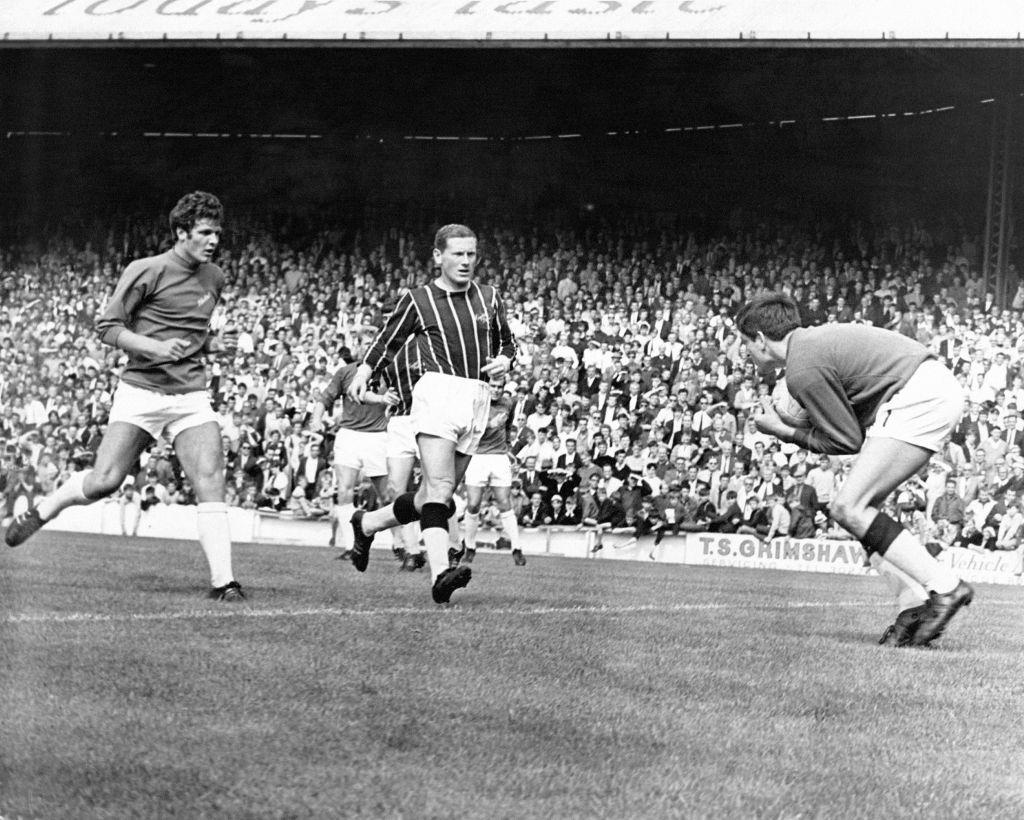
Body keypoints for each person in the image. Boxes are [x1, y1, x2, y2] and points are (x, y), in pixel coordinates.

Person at [3, 191, 245, 600]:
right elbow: (107, 327)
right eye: (205, 232)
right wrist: (153, 348)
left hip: (189, 394)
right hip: (141, 391)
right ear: (181, 232)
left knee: (210, 479)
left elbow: (191, 337)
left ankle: (225, 583)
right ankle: (45, 509)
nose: (213, 240)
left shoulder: (215, 278)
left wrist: (211, 347)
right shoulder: (146, 270)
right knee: (104, 482)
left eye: (217, 233)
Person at [736, 292, 972, 648]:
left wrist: (785, 431)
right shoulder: (812, 347)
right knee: (859, 513)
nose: (745, 352)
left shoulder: (802, 369)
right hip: (931, 389)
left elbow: (847, 442)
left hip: (919, 394)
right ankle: (914, 604)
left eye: (745, 343)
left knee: (848, 506)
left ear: (760, 339)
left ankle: (946, 588)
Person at [345, 224, 516, 604]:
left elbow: (509, 342)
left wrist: (505, 360)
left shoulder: (490, 298)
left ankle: (368, 522)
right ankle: (441, 575)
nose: (466, 261)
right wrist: (363, 372)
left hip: (478, 397)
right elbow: (386, 340)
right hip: (437, 391)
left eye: (471, 254)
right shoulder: (418, 299)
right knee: (440, 489)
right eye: (457, 253)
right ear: (438, 256)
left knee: (432, 499)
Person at [309, 356, 398, 558]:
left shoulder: (390, 371)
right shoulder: (345, 371)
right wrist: (316, 419)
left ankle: (400, 544)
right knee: (344, 490)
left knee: (387, 495)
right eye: (363, 340)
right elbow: (324, 399)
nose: (367, 345)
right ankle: (351, 547)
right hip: (348, 434)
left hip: (378, 436)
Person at [461, 379, 527, 567]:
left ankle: (516, 548)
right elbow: (468, 431)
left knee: (505, 503)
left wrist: (506, 446)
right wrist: (490, 424)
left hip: (498, 457)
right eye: (494, 386)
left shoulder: (508, 403)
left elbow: (507, 427)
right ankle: (470, 547)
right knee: (473, 504)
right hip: (478, 456)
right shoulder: (477, 403)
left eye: (500, 386)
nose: (497, 390)